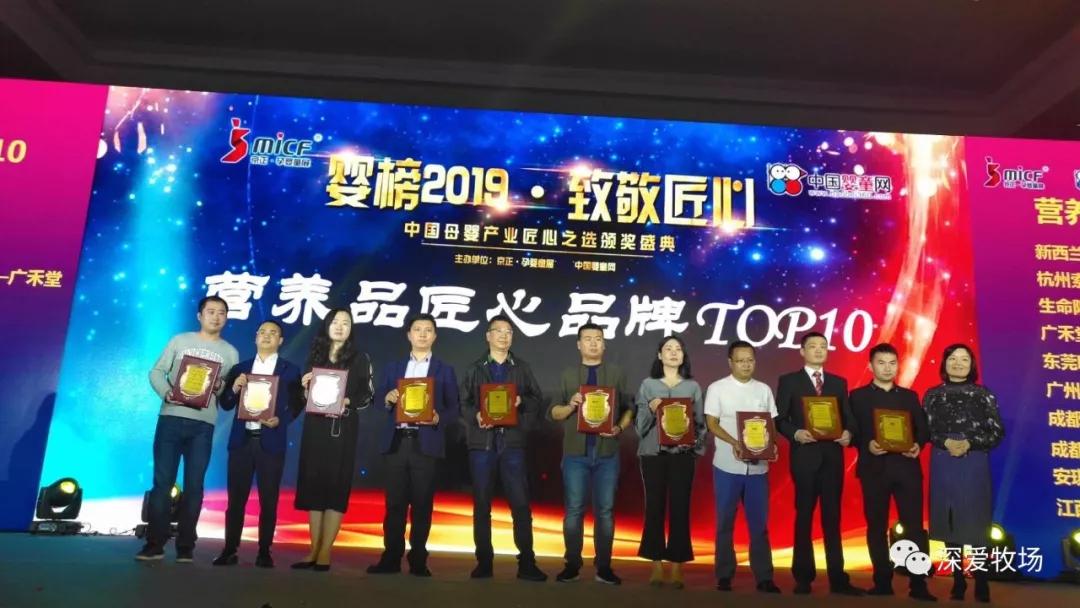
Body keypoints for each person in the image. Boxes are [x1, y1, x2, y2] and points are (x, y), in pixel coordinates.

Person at [137, 295, 240, 562]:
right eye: (211, 311)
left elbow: (228, 392)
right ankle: (155, 544)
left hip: (203, 425)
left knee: (195, 486)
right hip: (171, 418)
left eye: (221, 313)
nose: (216, 317)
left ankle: (186, 546)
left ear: (226, 318)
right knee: (162, 484)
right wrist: (167, 393)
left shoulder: (230, 352)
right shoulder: (180, 341)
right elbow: (156, 372)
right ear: (199, 315)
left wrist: (220, 386)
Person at [367, 314, 460, 577]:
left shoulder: (445, 370)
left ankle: (418, 560)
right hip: (397, 442)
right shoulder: (393, 368)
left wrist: (439, 418)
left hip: (425, 443)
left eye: (428, 330)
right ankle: (390, 558)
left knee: (422, 504)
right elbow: (378, 401)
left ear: (435, 336)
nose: (422, 334)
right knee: (394, 504)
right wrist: (387, 398)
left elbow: (455, 408)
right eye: (417, 329)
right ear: (408, 335)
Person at [460, 315, 548, 581]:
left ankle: (527, 563)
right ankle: (484, 562)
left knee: (520, 504)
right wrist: (476, 415)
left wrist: (521, 403)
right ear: (488, 336)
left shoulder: (522, 367)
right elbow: (463, 402)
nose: (503, 335)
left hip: (512, 444)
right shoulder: (475, 368)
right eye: (498, 331)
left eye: (508, 331)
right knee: (482, 505)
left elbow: (537, 400)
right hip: (482, 444)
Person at [774, 331, 863, 595]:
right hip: (805, 457)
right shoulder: (789, 381)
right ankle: (803, 578)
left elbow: (849, 417)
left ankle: (838, 578)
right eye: (812, 346)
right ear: (802, 351)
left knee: (832, 518)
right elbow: (779, 418)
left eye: (823, 346)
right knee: (804, 516)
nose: (818, 350)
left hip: (832, 458)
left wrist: (849, 433)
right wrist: (795, 433)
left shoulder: (838, 382)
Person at [547, 322, 634, 585]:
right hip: (575, 454)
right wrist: (570, 406)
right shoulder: (567, 375)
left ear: (604, 344)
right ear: (579, 344)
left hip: (607, 454)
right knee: (574, 511)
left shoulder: (616, 374)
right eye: (588, 338)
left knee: (605, 512)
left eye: (598, 338)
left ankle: (604, 567)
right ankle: (572, 564)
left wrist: (619, 427)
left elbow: (629, 409)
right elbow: (553, 413)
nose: (593, 343)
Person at [213, 320, 303, 568]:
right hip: (242, 442)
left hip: (271, 442)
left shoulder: (290, 370)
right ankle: (229, 549)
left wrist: (282, 419)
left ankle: (264, 551)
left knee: (269, 500)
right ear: (255, 337)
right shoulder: (240, 369)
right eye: (262, 332)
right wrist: (234, 387)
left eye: (273, 333)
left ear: (280, 341)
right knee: (236, 500)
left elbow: (298, 404)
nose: (266, 336)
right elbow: (226, 403)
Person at [849, 343, 935, 601]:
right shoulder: (857, 396)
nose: (887, 368)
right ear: (870, 366)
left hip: (907, 469)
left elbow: (923, 429)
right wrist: (866, 444)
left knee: (914, 528)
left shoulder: (909, 396)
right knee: (876, 527)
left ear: (897, 365)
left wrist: (918, 445)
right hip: (873, 469)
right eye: (881, 363)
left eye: (892, 363)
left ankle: (918, 584)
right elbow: (850, 430)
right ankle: (882, 581)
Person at [291, 308, 374, 571]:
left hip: (342, 429)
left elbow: (367, 395)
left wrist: (347, 400)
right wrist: (305, 389)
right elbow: (304, 398)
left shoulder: (360, 358)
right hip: (315, 428)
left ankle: (326, 550)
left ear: (351, 329)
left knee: (336, 487)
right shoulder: (314, 357)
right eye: (335, 322)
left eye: (345, 323)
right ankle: (313, 550)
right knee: (313, 486)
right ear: (326, 326)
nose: (339, 326)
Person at [925, 344, 1004, 604]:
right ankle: (957, 580)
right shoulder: (933, 395)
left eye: (964, 359)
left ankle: (981, 580)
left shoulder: (983, 395)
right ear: (945, 363)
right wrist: (945, 442)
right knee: (949, 519)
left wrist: (970, 443)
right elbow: (925, 430)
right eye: (952, 358)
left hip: (974, 460)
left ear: (972, 365)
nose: (958, 363)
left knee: (976, 519)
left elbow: (997, 431)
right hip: (943, 459)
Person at [704, 340, 782, 593]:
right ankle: (724, 575)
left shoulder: (763, 389)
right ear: (730, 362)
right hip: (727, 467)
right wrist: (735, 443)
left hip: (758, 470)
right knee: (725, 522)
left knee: (759, 525)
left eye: (750, 360)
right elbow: (712, 423)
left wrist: (772, 445)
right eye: (740, 361)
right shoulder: (717, 388)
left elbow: (770, 424)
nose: (746, 365)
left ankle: (764, 577)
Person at [634, 335, 704, 589]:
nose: (673, 353)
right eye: (668, 349)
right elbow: (639, 427)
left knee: (680, 508)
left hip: (682, 457)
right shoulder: (648, 385)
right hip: (652, 455)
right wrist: (651, 409)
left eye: (678, 349)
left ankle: (677, 565)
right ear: (659, 355)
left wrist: (692, 444)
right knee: (654, 507)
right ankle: (656, 564)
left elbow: (700, 425)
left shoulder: (692, 387)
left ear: (683, 356)